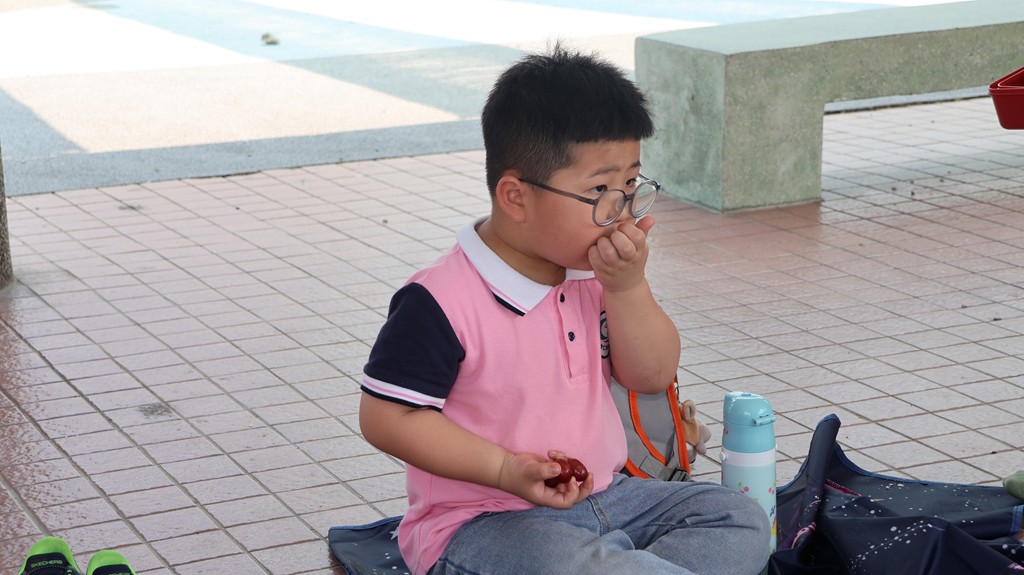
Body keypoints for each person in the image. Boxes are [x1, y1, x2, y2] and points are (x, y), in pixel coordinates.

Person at [359, 43, 771, 575]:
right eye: (599, 189)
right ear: (515, 197)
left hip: (609, 496)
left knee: (738, 518)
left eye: (630, 184)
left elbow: (650, 375)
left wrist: (627, 287)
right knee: (573, 562)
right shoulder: (440, 299)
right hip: (485, 520)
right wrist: (505, 469)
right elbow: (387, 417)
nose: (622, 209)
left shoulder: (594, 273)